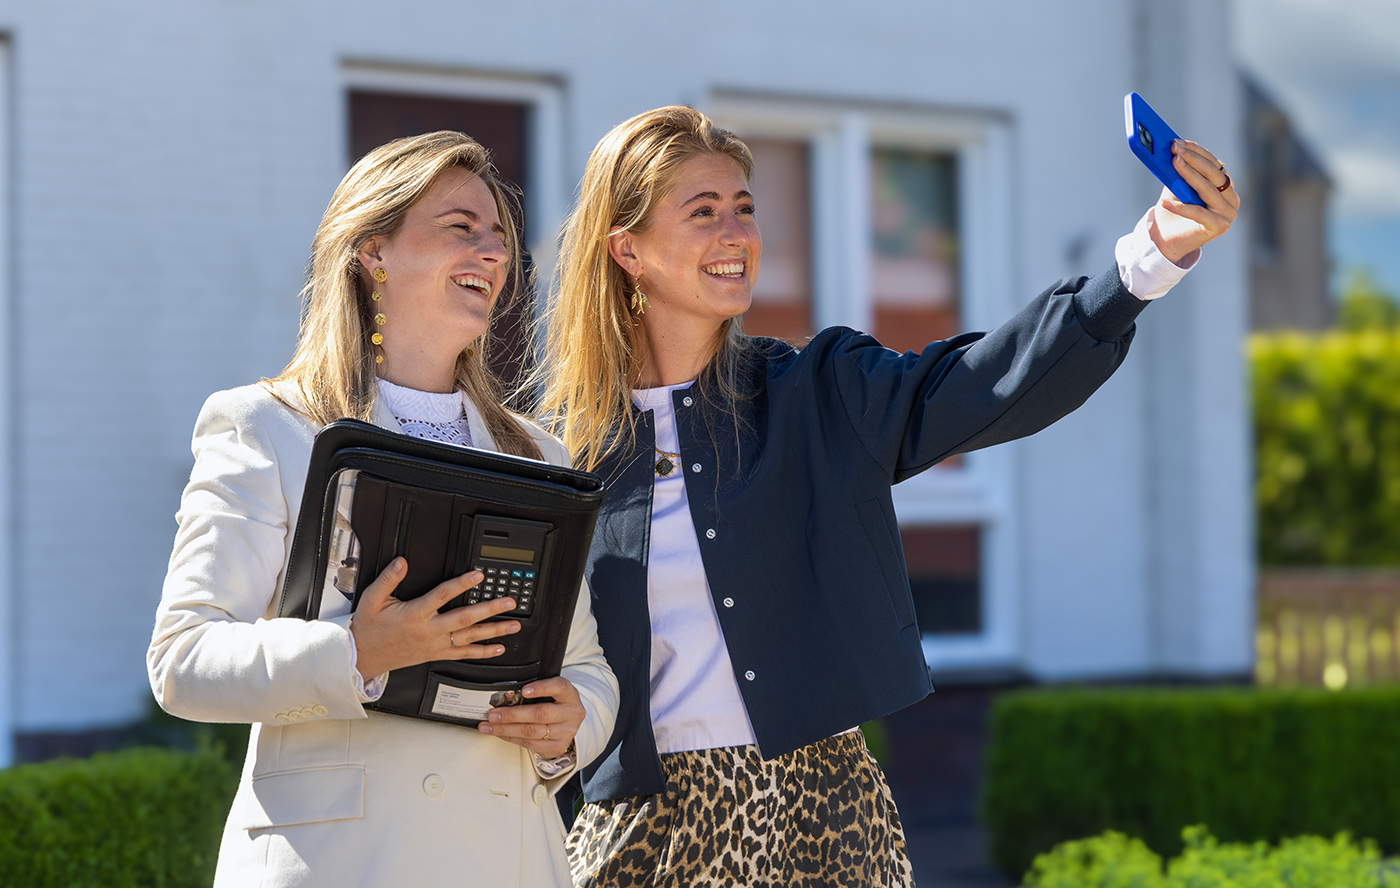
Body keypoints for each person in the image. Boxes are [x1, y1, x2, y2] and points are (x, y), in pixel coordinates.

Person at [535, 106, 1238, 887]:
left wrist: (1148, 258)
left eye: (744, 210)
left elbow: (977, 386)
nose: (737, 235)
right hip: (640, 826)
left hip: (821, 820)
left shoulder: (817, 390)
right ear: (626, 249)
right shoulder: (562, 455)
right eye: (703, 213)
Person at [147, 131, 618, 888]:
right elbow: (183, 661)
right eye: (461, 229)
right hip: (337, 864)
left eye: (501, 237)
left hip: (505, 858)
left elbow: (588, 669)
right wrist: (356, 655)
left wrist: (571, 725)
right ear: (374, 254)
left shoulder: (540, 456)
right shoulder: (266, 426)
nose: (494, 254)